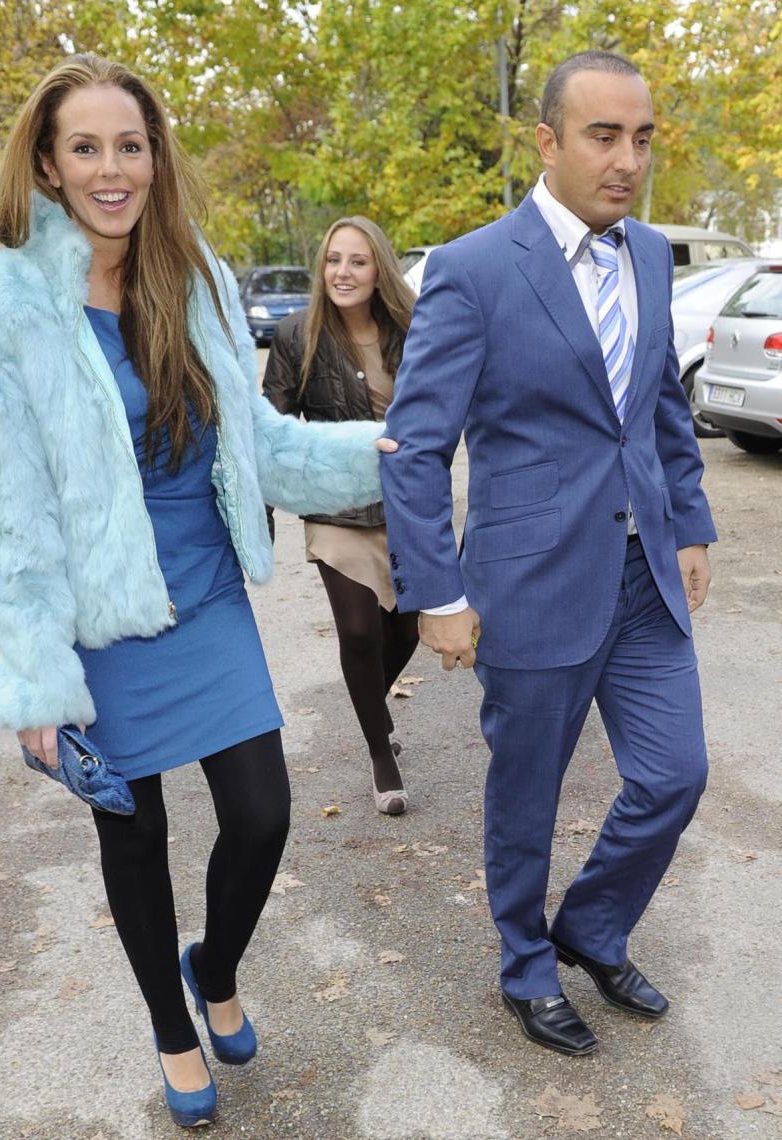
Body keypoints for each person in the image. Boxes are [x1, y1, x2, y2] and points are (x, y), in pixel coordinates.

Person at [0, 54, 396, 1128]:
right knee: (132, 836)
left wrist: (390, 453)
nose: (113, 168)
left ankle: (216, 960)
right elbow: (1, 514)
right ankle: (171, 1025)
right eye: (85, 147)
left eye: (130, 145)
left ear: (156, 157)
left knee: (263, 815)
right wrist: (38, 676)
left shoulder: (193, 274)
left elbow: (263, 447)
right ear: (47, 167)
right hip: (95, 620)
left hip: (205, 594)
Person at [380, 51, 716, 1057]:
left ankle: (593, 925)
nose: (627, 159)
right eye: (604, 136)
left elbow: (658, 406)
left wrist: (691, 518)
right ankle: (526, 965)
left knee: (674, 776)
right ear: (547, 141)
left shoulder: (653, 256)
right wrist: (435, 589)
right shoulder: (476, 269)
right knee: (526, 795)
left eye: (642, 137)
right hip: (530, 586)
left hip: (642, 574)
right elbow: (416, 443)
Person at [263, 218, 419, 815]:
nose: (343, 273)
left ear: (379, 268)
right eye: (333, 261)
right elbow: (270, 430)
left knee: (405, 629)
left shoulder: (414, 329)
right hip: (334, 505)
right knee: (358, 630)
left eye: (357, 261)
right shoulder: (296, 336)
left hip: (406, 505)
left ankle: (370, 708)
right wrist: (263, 509)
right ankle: (382, 754)